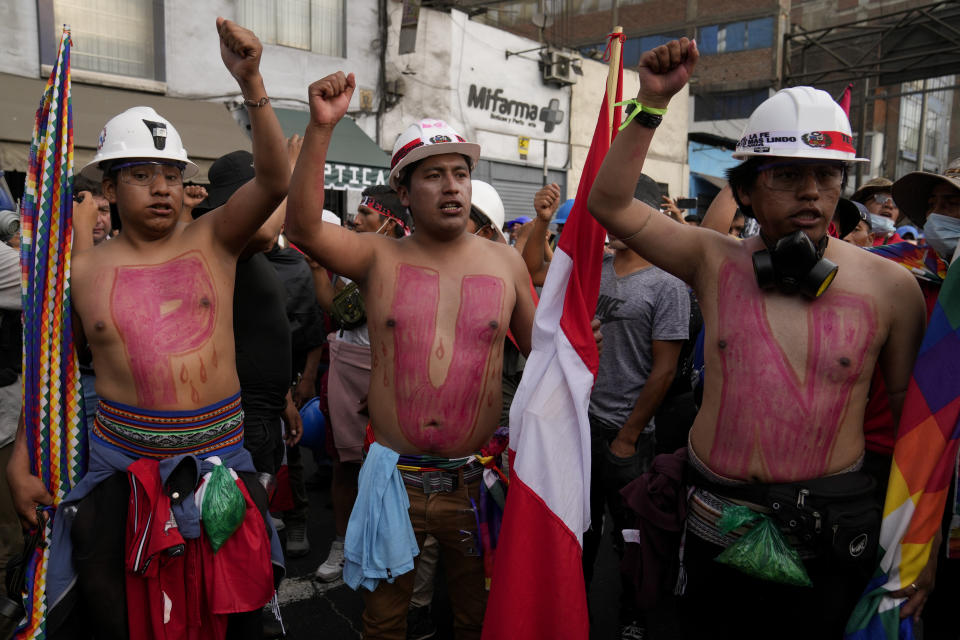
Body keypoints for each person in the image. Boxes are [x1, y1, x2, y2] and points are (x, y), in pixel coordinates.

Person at [587, 38, 926, 638]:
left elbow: (913, 432)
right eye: (788, 175)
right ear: (744, 191)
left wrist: (915, 550)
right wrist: (651, 103)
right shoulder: (712, 261)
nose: (811, 192)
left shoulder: (891, 288)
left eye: (827, 176)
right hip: (713, 525)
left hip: (826, 538)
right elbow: (610, 203)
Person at [7, 18, 290, 638]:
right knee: (114, 615)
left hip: (223, 463)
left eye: (169, 174)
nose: (161, 188)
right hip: (120, 471)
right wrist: (23, 461)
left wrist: (252, 82)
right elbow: (50, 373)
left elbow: (274, 180)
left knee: (234, 615)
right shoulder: (78, 273)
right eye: (140, 175)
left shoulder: (215, 238)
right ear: (108, 185)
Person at [285, 71, 536, 639]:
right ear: (404, 190)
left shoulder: (507, 264)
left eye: (461, 173)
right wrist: (323, 127)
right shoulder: (377, 257)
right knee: (383, 623)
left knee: (477, 617)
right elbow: (301, 226)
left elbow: (545, 353)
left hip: (474, 480)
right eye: (434, 175)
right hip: (393, 478)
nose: (452, 187)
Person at [583, 173, 689, 639]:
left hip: (628, 436)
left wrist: (628, 435)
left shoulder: (668, 285)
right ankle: (572, 609)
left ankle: (632, 617)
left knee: (629, 537)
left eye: (625, 209)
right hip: (581, 424)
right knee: (580, 529)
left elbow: (664, 370)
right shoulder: (597, 268)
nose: (613, 220)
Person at [311, 185, 412, 584]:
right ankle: (343, 542)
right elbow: (339, 313)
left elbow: (343, 310)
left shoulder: (405, 264)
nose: (355, 220)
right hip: (348, 371)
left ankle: (392, 549)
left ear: (390, 223)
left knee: (393, 468)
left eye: (365, 215)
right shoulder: (358, 260)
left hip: (386, 376)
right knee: (344, 464)